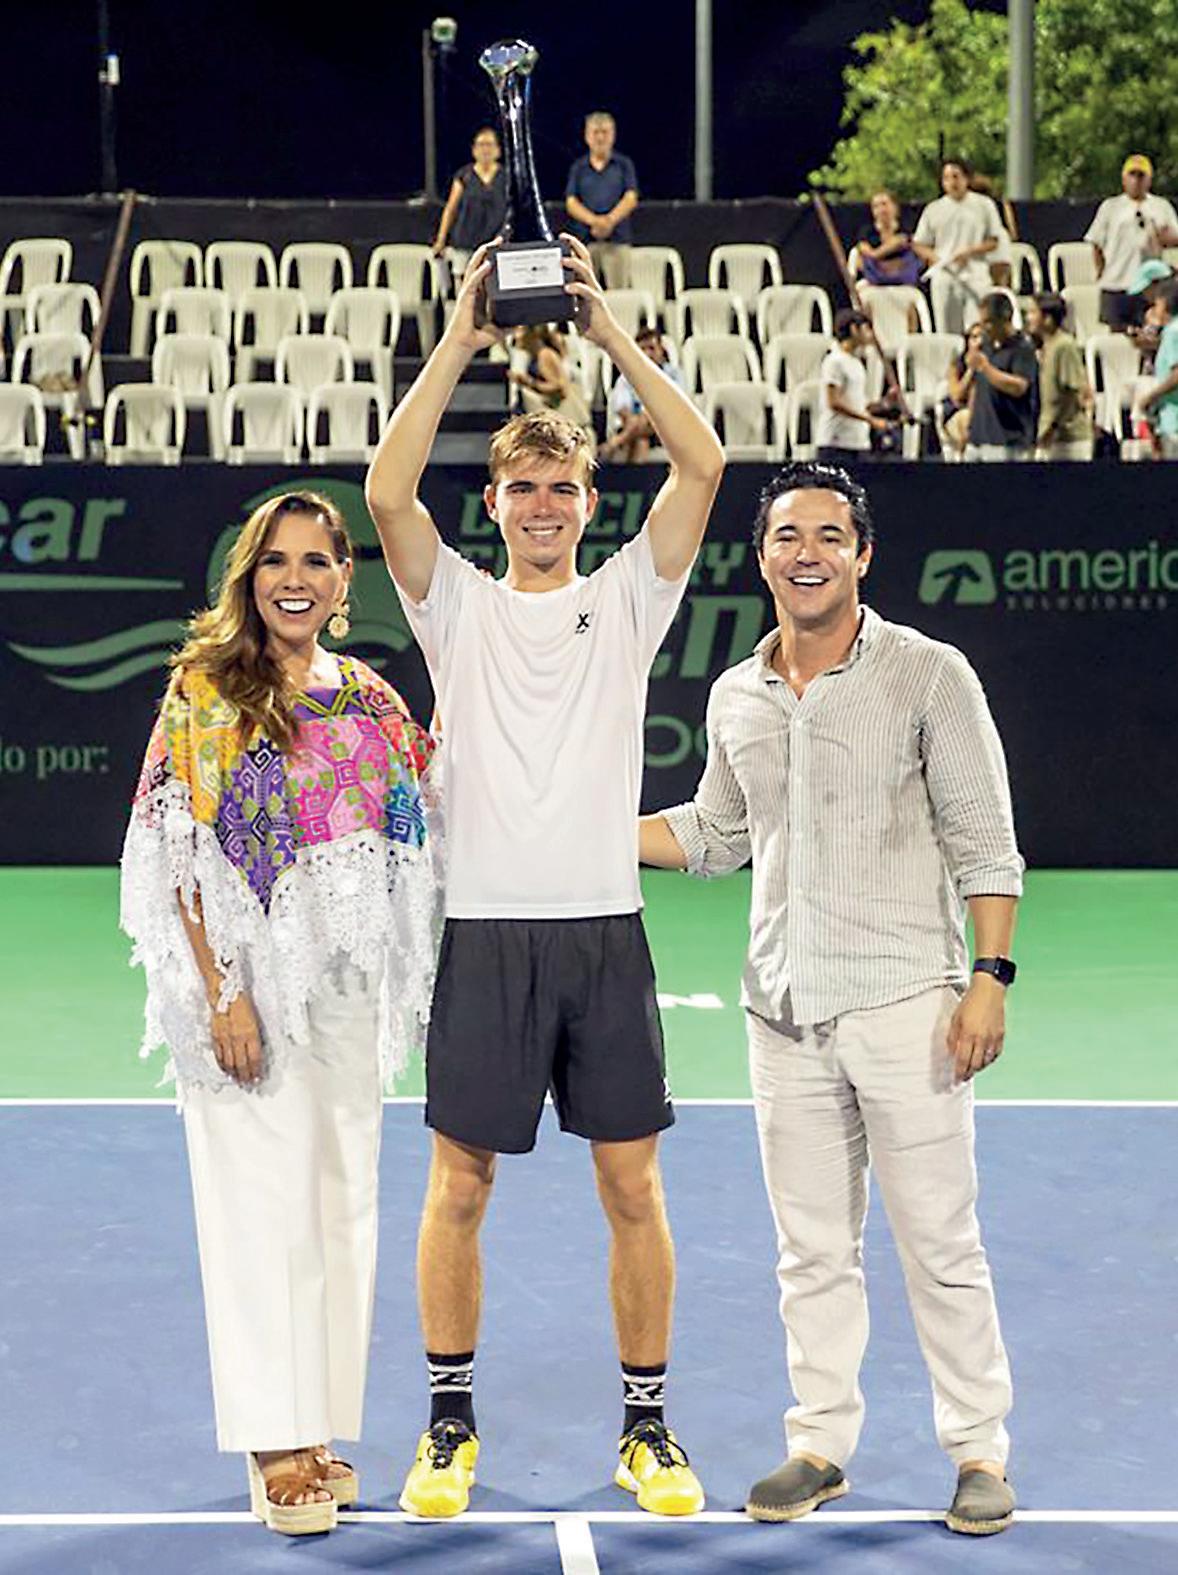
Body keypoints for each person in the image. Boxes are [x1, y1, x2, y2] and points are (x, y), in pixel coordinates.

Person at [364, 234, 725, 1519]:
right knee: (459, 1187)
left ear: (586, 500)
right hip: (484, 935)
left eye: (561, 487)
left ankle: (647, 1431)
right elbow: (386, 495)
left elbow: (703, 465)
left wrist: (609, 334)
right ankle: (446, 1425)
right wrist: (462, 338)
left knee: (630, 1187)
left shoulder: (628, 600)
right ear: (495, 504)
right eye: (520, 489)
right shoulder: (453, 606)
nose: (540, 506)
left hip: (602, 936)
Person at [639, 459, 1022, 1538]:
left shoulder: (930, 674)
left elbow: (985, 841)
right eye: (786, 537)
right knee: (809, 1250)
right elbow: (718, 834)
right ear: (760, 557)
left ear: (862, 555)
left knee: (938, 1244)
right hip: (782, 1014)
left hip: (908, 1004)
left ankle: (978, 1450)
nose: (805, 555)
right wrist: (582, 834)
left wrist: (987, 979)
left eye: (827, 537)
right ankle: (819, 1444)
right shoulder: (736, 694)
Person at [120, 492, 440, 1537]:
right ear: (247, 577)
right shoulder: (206, 690)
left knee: (342, 1200)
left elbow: (434, 802)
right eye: (275, 561)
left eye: (315, 561)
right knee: (259, 1205)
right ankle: (274, 1438)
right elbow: (173, 846)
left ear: (345, 580)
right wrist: (223, 990)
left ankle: (319, 1423)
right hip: (247, 980)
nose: (294, 580)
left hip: (345, 981)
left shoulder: (370, 699)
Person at [1085, 155, 1178, 332]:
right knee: (1116, 334)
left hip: (1148, 286)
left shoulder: (1161, 206)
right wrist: (1100, 270)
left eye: (1141, 176)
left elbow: (1174, 238)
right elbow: (1096, 242)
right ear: (1124, 179)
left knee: (1149, 332)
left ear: (1149, 180)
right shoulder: (1110, 206)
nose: (1136, 180)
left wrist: (1164, 236)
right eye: (1132, 175)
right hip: (1116, 282)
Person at [914, 158, 1004, 334]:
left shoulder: (984, 205)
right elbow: (919, 244)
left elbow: (993, 240)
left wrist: (969, 251)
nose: (952, 182)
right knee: (946, 328)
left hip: (975, 273)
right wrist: (936, 258)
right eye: (946, 178)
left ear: (966, 178)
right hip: (945, 275)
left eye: (956, 176)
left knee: (976, 326)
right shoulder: (934, 209)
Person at [565, 112, 640, 289]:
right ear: (587, 136)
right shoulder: (579, 168)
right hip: (585, 242)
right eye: (595, 132)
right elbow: (571, 202)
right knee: (586, 292)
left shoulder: (624, 165)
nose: (600, 137)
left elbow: (631, 197)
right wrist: (595, 221)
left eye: (605, 132)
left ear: (613, 135)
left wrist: (609, 221)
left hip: (617, 241)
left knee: (620, 294)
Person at [964, 292, 1037, 462]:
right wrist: (970, 424)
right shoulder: (985, 346)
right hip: (977, 439)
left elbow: (1019, 387)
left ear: (1005, 319)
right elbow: (978, 388)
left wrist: (986, 368)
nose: (983, 328)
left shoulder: (1022, 348)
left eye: (988, 322)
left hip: (1006, 441)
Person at [432, 127, 507, 286]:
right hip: (465, 242)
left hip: (495, 243)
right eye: (481, 145)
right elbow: (451, 209)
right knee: (463, 284)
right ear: (474, 150)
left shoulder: (506, 177)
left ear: (498, 150)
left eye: (489, 144)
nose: (485, 149)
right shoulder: (464, 176)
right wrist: (441, 239)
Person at [601, 324, 686, 462]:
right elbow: (622, 408)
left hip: (666, 430)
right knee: (641, 441)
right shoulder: (627, 376)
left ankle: (615, 442)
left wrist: (646, 418)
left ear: (661, 350)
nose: (647, 354)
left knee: (654, 416)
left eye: (651, 348)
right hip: (638, 428)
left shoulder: (674, 375)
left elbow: (677, 405)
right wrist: (636, 421)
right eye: (642, 349)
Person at [815, 309, 890, 463]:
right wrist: (870, 420)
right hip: (836, 444)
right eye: (866, 329)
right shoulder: (834, 361)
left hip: (858, 443)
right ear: (854, 329)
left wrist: (884, 403)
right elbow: (833, 402)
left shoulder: (856, 363)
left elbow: (858, 404)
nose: (870, 334)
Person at [1025, 294, 1094, 460]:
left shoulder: (1064, 345)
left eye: (1033, 312)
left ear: (1048, 318)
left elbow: (1074, 392)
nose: (1028, 318)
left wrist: (1053, 427)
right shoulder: (1046, 347)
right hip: (1050, 437)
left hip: (1068, 440)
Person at [508, 322, 595, 444]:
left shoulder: (545, 355)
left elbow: (559, 387)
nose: (516, 335)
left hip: (562, 430)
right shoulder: (536, 356)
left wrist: (529, 382)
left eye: (520, 330)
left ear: (533, 334)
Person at [1136, 279, 1178, 458]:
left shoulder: (1174, 332)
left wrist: (1151, 397)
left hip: (1174, 420)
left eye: (1156, 304)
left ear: (1163, 303)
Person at [854, 189, 926, 287]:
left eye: (884, 204)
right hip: (874, 280)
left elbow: (917, 251)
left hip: (904, 280)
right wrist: (884, 252)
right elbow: (866, 253)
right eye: (876, 206)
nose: (881, 210)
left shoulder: (906, 228)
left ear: (895, 207)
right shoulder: (866, 231)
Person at [942, 323, 986, 459]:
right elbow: (956, 396)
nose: (979, 342)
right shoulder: (957, 365)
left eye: (983, 337)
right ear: (968, 341)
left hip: (985, 414)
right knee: (967, 418)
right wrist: (971, 370)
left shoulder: (993, 364)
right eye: (975, 337)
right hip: (958, 413)